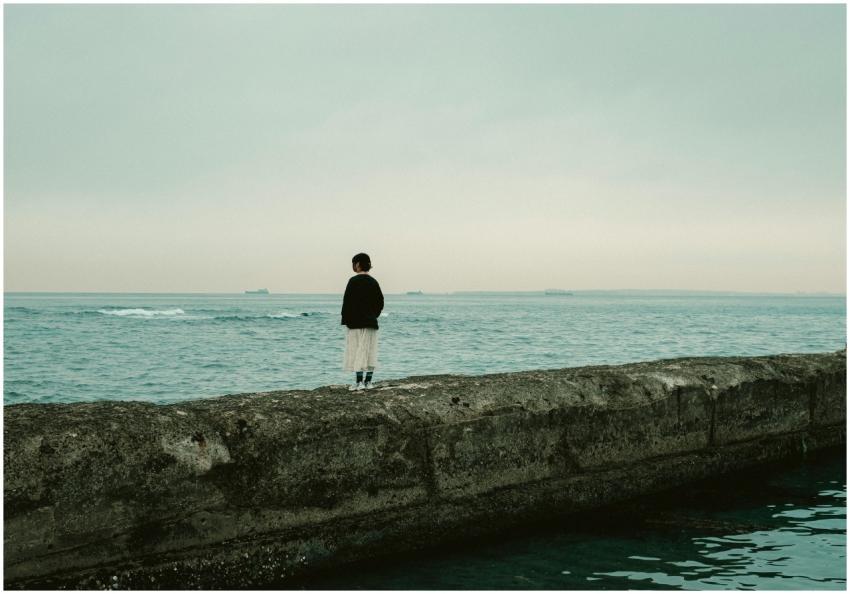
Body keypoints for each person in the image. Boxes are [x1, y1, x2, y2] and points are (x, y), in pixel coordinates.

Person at [341, 252, 384, 391]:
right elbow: (380, 303)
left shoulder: (352, 281)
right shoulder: (374, 281)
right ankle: (368, 382)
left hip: (354, 323)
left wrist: (346, 319)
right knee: (370, 352)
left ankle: (359, 383)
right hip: (370, 322)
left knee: (356, 351)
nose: (353, 266)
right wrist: (373, 316)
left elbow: (346, 303)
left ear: (358, 264)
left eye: (354, 264)